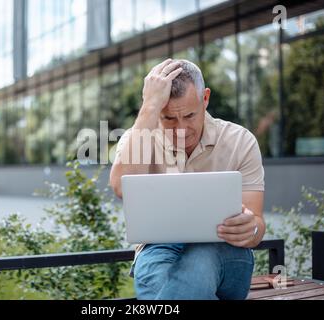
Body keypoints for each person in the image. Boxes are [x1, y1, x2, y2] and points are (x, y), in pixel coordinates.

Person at [109, 59, 266, 300]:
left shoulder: (240, 141)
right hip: (158, 249)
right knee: (161, 280)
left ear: (205, 98)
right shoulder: (137, 137)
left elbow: (257, 224)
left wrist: (251, 228)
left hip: (225, 249)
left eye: (190, 115)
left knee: (200, 261)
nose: (181, 129)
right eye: (169, 118)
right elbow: (121, 187)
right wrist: (149, 106)